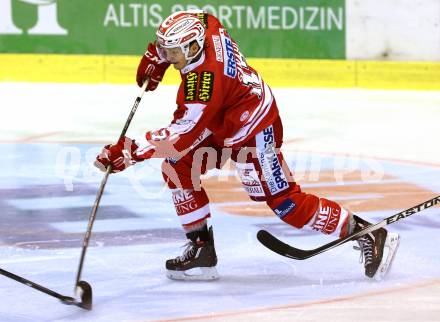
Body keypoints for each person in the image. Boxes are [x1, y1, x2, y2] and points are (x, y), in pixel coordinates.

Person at [95, 11, 400, 281]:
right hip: (225, 117)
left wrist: (128, 151)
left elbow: (181, 136)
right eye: (166, 48)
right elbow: (199, 15)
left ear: (192, 48)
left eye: (173, 52)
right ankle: (202, 249)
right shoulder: (206, 27)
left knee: (286, 204)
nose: (169, 56)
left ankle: (366, 232)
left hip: (253, 127)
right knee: (178, 167)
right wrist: (156, 56)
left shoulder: (204, 84)